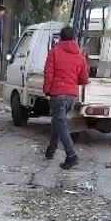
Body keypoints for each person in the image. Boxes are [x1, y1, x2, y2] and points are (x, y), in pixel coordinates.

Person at [43, 25, 89, 169]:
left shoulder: (54, 52)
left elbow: (48, 74)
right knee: (58, 121)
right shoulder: (80, 57)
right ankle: (50, 151)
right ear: (74, 39)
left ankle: (71, 155)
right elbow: (84, 79)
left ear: (61, 38)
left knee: (61, 123)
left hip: (58, 94)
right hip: (71, 96)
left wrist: (47, 90)